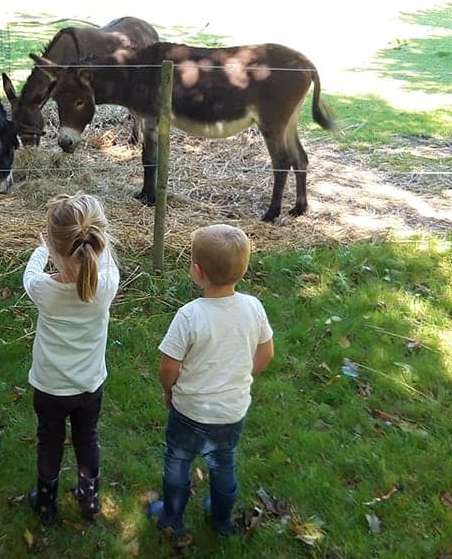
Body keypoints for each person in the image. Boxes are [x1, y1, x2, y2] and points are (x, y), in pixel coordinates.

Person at [148, 224, 274, 540]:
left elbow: (168, 366)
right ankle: (221, 520)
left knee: (178, 461)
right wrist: (240, 375)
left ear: (197, 271)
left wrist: (169, 390)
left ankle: (171, 517)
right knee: (223, 464)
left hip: (189, 410)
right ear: (243, 270)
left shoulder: (189, 315)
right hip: (231, 411)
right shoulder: (253, 307)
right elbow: (266, 354)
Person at [22, 193, 120, 525]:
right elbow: (105, 259)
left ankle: (46, 503)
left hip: (49, 388)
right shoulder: (106, 285)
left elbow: (30, 273)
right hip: (89, 385)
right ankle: (89, 499)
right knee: (87, 437)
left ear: (54, 246)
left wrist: (41, 251)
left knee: (49, 441)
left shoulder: (42, 289)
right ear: (99, 240)